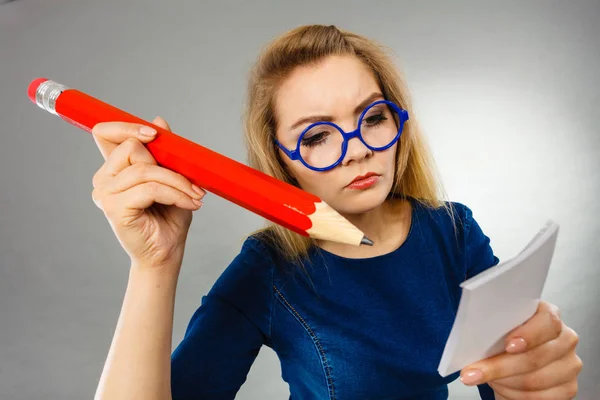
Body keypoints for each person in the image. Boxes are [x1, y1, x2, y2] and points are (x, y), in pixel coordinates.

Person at [90, 25, 582, 400]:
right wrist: (154, 264)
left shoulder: (453, 231)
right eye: (317, 136)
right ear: (280, 158)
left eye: (373, 118)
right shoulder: (268, 268)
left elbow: (507, 381)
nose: (356, 151)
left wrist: (538, 379)